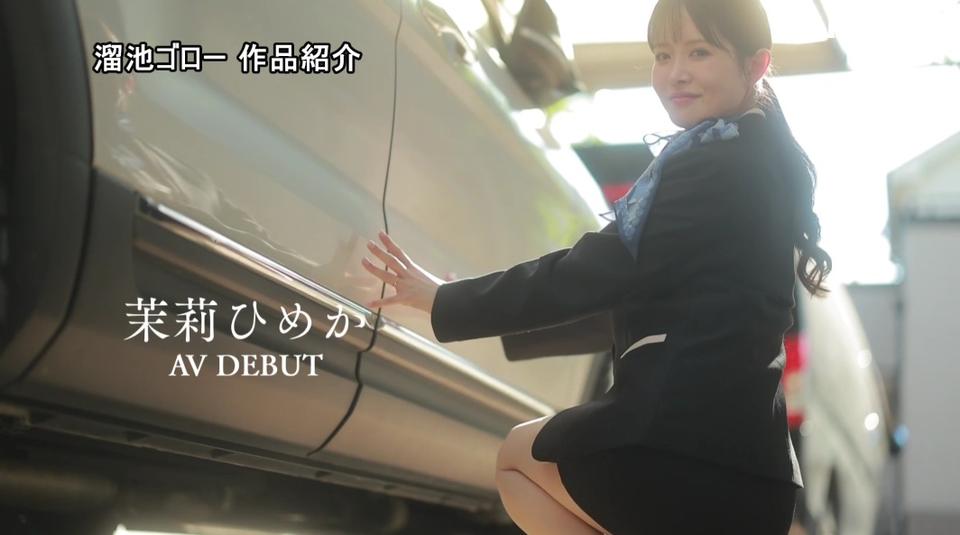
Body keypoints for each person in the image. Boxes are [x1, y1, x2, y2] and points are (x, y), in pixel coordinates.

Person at [359, 0, 833, 532]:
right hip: (755, 471)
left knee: (517, 457)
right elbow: (654, 293)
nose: (675, 72)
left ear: (756, 64)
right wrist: (469, 304)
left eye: (699, 52)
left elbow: (596, 270)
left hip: (680, 450)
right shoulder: (756, 158)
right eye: (663, 55)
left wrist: (447, 302)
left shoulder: (713, 163)